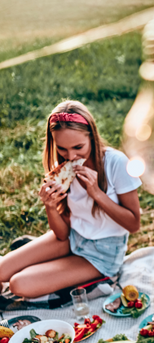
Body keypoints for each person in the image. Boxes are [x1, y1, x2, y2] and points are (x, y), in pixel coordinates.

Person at [0, 100, 141, 298]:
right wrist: (50, 206)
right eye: (62, 149)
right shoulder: (63, 169)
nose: (71, 156)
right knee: (1, 271)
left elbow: (134, 224)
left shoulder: (116, 164)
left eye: (78, 147)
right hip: (73, 237)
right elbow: (62, 234)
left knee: (18, 284)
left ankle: (99, 282)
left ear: (91, 136)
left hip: (103, 252)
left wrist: (96, 193)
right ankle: (56, 266)